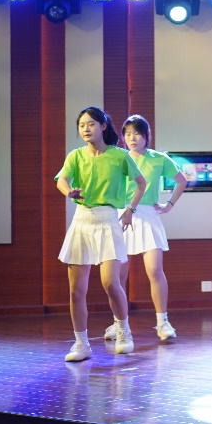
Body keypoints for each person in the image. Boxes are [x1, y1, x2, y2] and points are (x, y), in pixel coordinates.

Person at [55, 106, 147, 363]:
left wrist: (130, 210)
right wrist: (69, 192)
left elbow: (141, 183)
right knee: (76, 290)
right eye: (81, 125)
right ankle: (81, 343)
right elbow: (62, 179)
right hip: (82, 220)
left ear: (103, 126)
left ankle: (123, 330)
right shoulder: (75, 156)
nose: (85, 129)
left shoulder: (119, 155)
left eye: (91, 124)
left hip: (108, 219)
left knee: (110, 283)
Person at [100, 115, 187, 345]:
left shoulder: (159, 159)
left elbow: (181, 180)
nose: (132, 138)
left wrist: (169, 204)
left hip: (148, 216)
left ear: (147, 136)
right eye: (127, 134)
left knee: (155, 270)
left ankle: (162, 321)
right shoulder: (119, 158)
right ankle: (119, 323)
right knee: (117, 277)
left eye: (137, 133)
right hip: (121, 216)